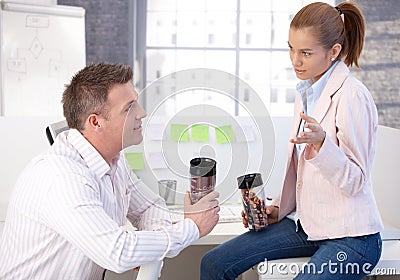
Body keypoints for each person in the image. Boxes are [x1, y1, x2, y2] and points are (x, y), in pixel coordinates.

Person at [201, 2, 383, 279]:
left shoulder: (352, 96)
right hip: (308, 225)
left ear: (334, 52)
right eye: (291, 49)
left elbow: (356, 180)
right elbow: (303, 176)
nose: (295, 60)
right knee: (214, 263)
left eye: (306, 53)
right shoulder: (307, 91)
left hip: (352, 238)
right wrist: (279, 210)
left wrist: (323, 145)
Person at [0, 63, 220, 279]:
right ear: (96, 122)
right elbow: (118, 253)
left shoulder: (114, 160)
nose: (141, 113)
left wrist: (148, 247)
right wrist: (192, 227)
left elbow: (149, 206)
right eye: (129, 108)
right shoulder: (62, 178)